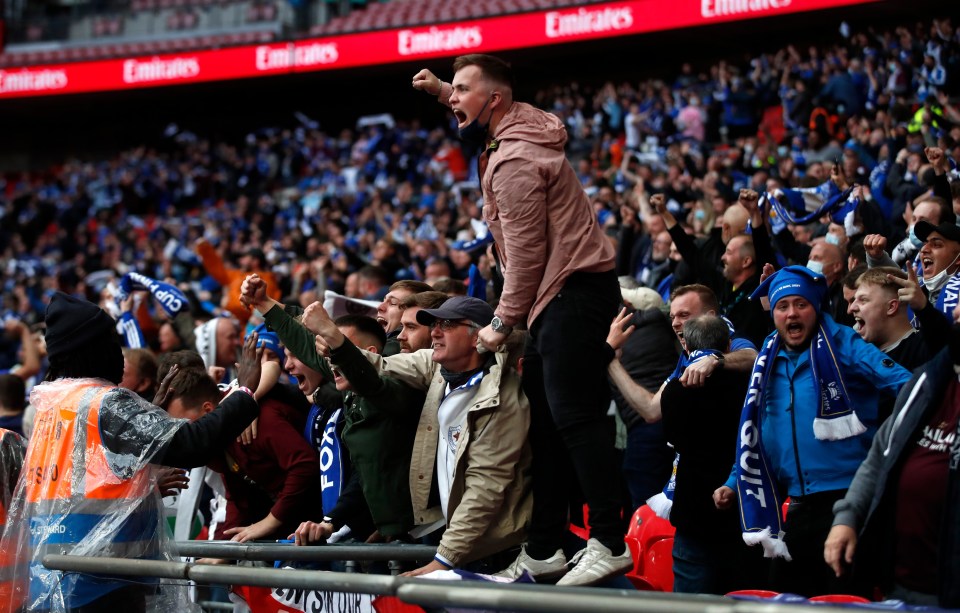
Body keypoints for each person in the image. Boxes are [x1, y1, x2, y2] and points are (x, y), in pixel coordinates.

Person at [414, 53, 626, 586]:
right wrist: (445, 90)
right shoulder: (524, 125)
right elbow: (491, 98)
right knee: (550, 429)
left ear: (494, 102)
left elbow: (528, 257)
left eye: (464, 90)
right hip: (567, 293)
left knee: (575, 419)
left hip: (567, 293)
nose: (455, 98)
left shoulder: (512, 164)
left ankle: (611, 540)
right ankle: (545, 546)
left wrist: (502, 323)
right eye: (454, 90)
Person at [0, 292, 263, 613]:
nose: (120, 355)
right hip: (103, 583)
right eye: (112, 341)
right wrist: (246, 390)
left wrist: (149, 414)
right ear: (92, 348)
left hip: (58, 579)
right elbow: (193, 444)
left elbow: (93, 477)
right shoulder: (103, 402)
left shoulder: (52, 407)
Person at [713, 266, 912, 597]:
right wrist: (734, 482)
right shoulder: (767, 358)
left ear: (816, 307)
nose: (792, 313)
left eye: (800, 304)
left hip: (848, 501)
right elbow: (757, 429)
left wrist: (888, 442)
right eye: (783, 306)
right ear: (773, 312)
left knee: (844, 599)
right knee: (786, 598)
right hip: (799, 504)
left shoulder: (843, 343)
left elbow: (910, 386)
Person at [302, 296, 532, 576]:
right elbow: (377, 366)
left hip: (492, 550)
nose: (434, 332)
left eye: (447, 324)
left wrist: (443, 559)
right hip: (459, 540)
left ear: (479, 337)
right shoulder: (437, 368)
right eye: (434, 324)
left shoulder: (502, 398)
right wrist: (333, 338)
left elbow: (485, 488)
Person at [824, 319, 960, 607]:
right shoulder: (929, 381)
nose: (957, 310)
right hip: (900, 585)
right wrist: (847, 518)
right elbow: (879, 458)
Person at [660, 316, 767, 594]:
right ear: (728, 345)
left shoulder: (673, 390)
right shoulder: (749, 386)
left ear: (687, 346)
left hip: (693, 513)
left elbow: (672, 440)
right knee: (744, 599)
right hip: (744, 513)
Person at [163, 367, 321, 542]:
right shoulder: (221, 441)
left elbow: (305, 465)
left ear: (207, 410)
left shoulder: (257, 421)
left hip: (320, 530)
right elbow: (238, 498)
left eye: (181, 427)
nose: (179, 437)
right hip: (296, 532)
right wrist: (226, 550)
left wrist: (271, 520)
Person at [195, 239, 280, 326]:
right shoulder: (238, 274)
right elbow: (217, 270)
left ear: (255, 261)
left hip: (250, 330)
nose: (241, 260)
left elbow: (259, 309)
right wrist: (204, 248)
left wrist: (227, 301)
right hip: (234, 323)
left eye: (245, 257)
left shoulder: (265, 281)